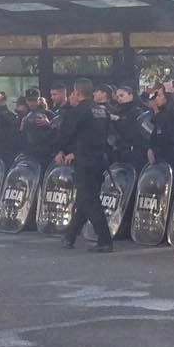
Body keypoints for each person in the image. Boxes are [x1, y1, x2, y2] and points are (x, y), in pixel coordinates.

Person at [56, 79, 114, 251]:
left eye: (73, 93)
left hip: (84, 159)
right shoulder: (102, 110)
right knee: (84, 198)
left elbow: (66, 134)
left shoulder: (79, 111)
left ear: (77, 92)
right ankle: (70, 236)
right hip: (99, 159)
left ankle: (105, 240)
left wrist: (62, 150)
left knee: (90, 201)